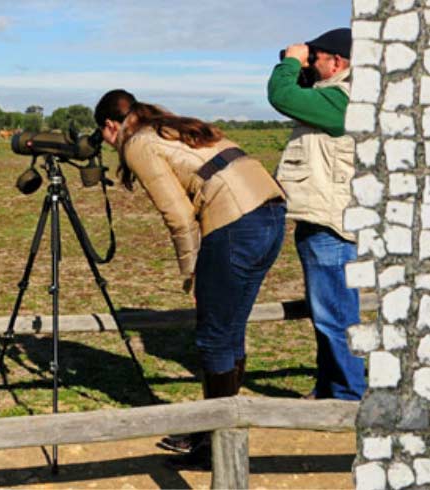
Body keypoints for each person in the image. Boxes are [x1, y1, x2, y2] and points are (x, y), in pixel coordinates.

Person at [95, 90, 286, 462]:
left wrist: (192, 274)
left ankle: (213, 441)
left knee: (214, 337)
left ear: (110, 126)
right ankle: (217, 431)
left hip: (235, 222)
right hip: (270, 214)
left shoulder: (138, 143)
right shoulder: (170, 127)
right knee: (229, 330)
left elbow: (179, 217)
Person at [267, 27, 366, 401]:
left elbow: (281, 94)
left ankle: (348, 398)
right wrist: (300, 62)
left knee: (335, 317)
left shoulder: (343, 100)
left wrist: (292, 61)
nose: (311, 64)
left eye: (317, 58)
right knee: (327, 314)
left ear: (338, 62)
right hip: (323, 221)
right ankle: (330, 388)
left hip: (330, 227)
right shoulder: (333, 97)